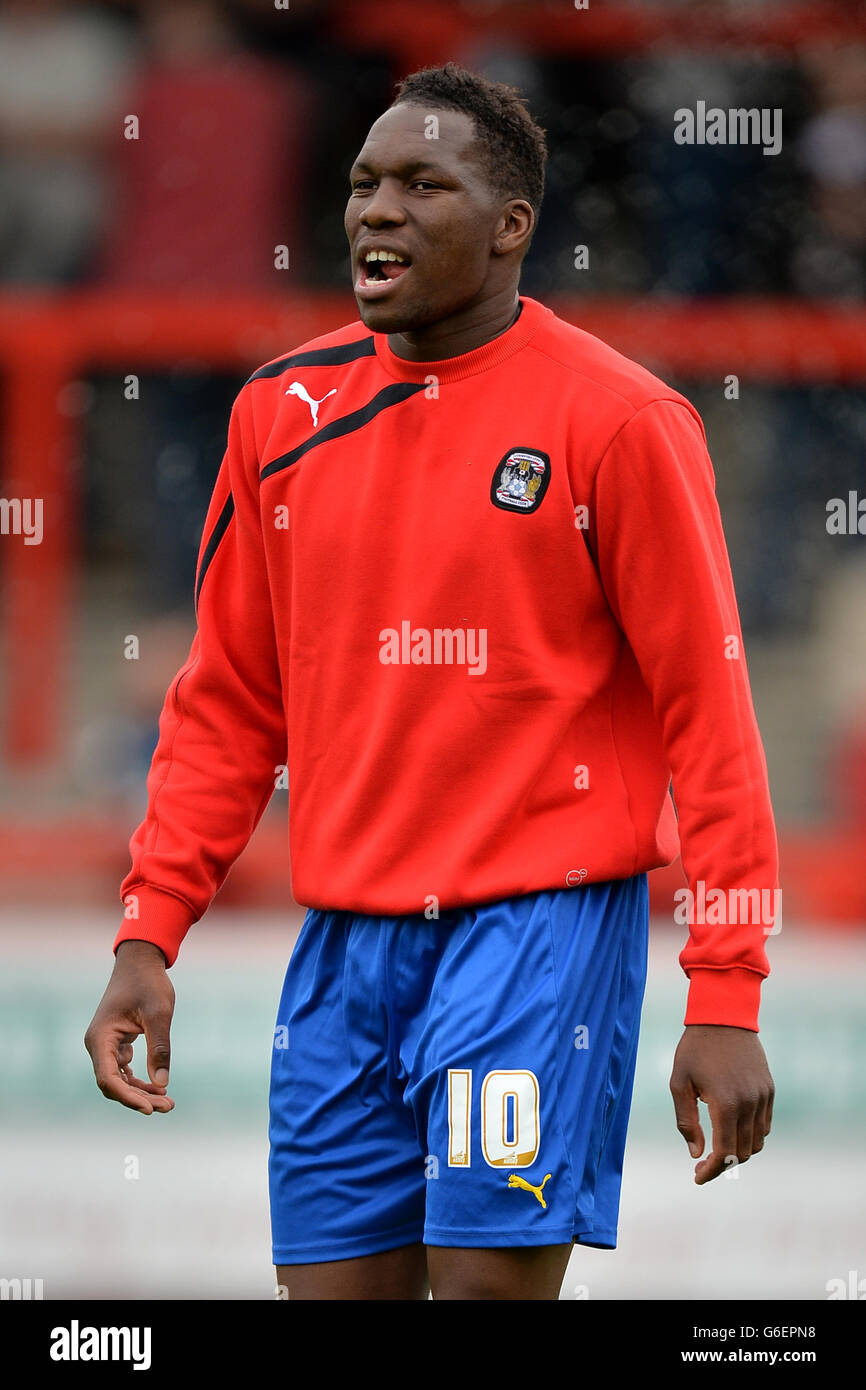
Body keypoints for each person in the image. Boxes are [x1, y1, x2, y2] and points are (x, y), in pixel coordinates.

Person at [85, 63, 777, 1302]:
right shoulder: (279, 413)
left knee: (479, 1293)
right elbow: (230, 701)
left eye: (421, 184)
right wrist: (151, 928)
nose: (377, 211)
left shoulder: (619, 422)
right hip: (343, 950)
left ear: (512, 225)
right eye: (361, 185)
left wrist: (723, 987)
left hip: (535, 940)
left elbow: (708, 714)